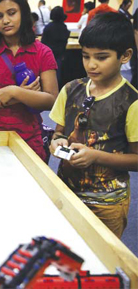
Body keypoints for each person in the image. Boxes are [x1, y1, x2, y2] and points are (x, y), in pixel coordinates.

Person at [49, 12, 138, 238]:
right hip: (66, 191)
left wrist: (95, 156)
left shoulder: (131, 102)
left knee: (102, 262)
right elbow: (58, 133)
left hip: (107, 203)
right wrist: (57, 142)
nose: (91, 64)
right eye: (86, 56)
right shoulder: (70, 89)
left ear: (125, 55)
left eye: (101, 57)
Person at [0, 0, 58, 162]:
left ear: (23, 13)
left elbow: (51, 100)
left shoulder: (43, 52)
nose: (5, 21)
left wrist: (14, 92)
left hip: (28, 136)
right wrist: (21, 96)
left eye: (12, 13)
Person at [41, 6, 70, 87]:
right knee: (58, 76)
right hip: (59, 55)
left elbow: (43, 42)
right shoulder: (64, 27)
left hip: (48, 56)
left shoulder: (48, 27)